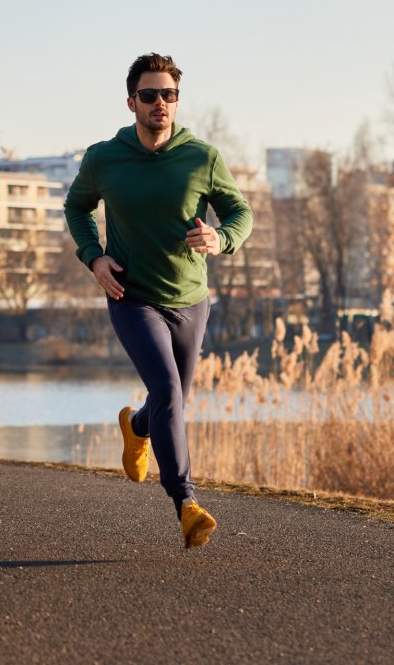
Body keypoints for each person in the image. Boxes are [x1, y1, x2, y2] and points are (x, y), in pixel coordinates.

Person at [63, 53, 253, 549]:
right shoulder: (104, 157)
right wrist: (94, 257)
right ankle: (186, 503)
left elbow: (240, 211)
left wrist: (222, 238)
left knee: (172, 400)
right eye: (150, 95)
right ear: (132, 103)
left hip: (192, 298)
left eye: (168, 95)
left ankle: (137, 425)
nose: (160, 104)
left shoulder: (202, 157)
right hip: (132, 295)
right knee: (169, 388)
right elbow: (76, 205)